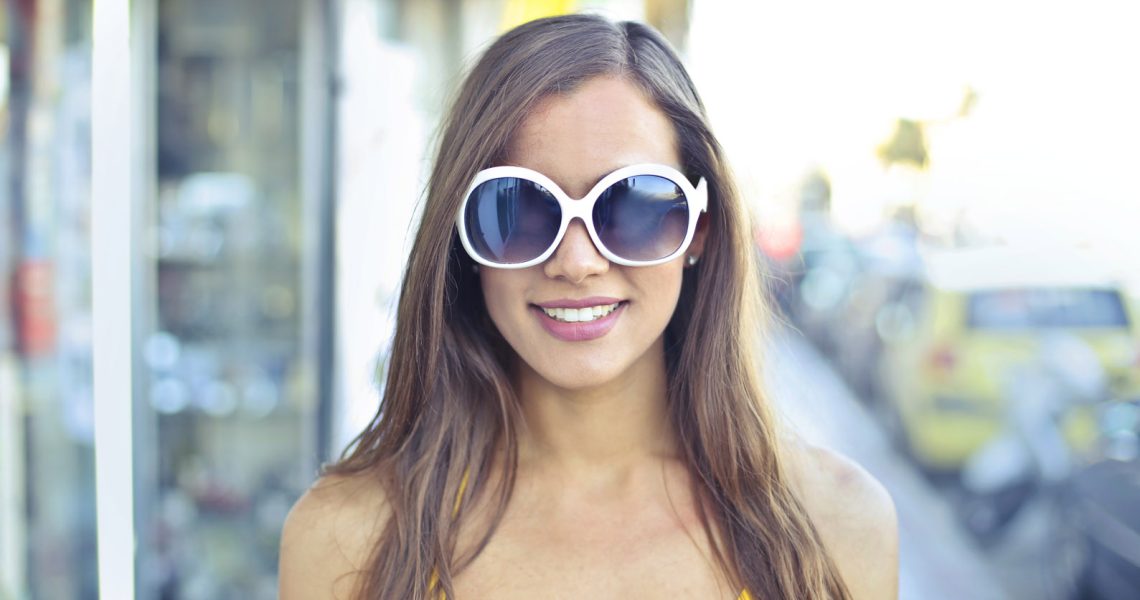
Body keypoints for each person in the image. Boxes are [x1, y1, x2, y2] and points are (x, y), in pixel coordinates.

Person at [280, 13, 898, 600]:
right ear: (462, 238)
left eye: (634, 206)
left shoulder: (837, 527)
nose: (576, 263)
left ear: (699, 230)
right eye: (520, 207)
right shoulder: (344, 538)